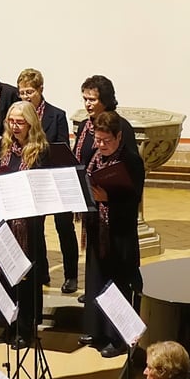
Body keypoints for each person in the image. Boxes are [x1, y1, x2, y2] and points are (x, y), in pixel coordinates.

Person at [80, 111, 145, 358]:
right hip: (98, 230)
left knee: (116, 285)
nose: (101, 144)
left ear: (119, 137)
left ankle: (117, 338)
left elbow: (134, 200)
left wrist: (110, 198)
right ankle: (97, 330)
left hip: (120, 235)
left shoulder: (131, 161)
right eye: (98, 139)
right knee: (96, 281)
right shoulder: (94, 157)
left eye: (107, 140)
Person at [18, 68, 78, 293]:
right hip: (33, 182)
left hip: (56, 179)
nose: (25, 97)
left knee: (64, 228)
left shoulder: (56, 114)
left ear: (41, 90)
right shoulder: (19, 114)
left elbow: (62, 147)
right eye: (22, 92)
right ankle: (41, 271)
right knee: (35, 228)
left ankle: (71, 275)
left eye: (30, 92)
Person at [0, 101, 48, 347]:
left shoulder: (40, 150)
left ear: (31, 123)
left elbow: (42, 188)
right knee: (6, 277)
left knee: (25, 278)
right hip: (6, 221)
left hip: (28, 224)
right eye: (11, 121)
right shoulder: (4, 147)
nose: (14, 127)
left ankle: (25, 328)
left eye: (20, 122)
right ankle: (10, 325)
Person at [73, 75, 139, 168]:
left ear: (105, 101)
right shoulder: (83, 126)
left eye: (92, 100)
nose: (87, 104)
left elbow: (133, 163)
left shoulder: (121, 126)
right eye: (85, 99)